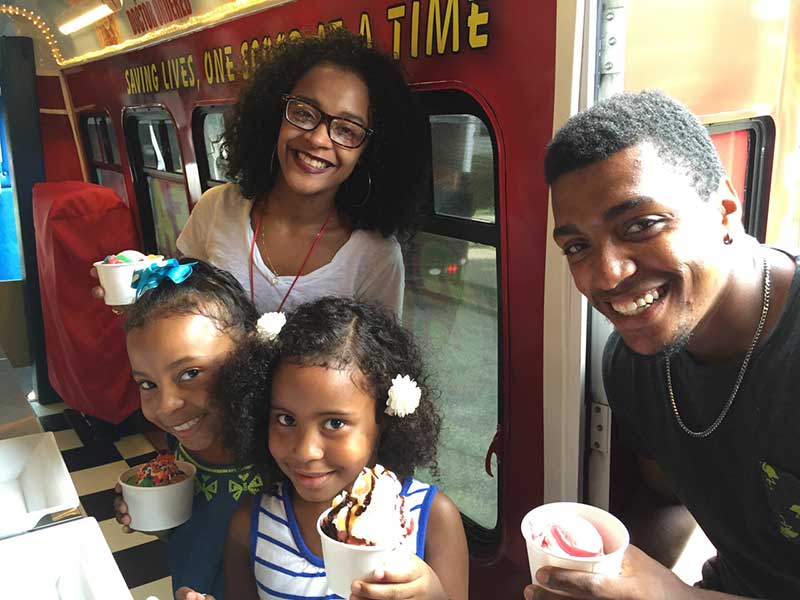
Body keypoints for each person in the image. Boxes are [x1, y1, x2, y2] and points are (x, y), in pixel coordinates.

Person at [523, 89, 800, 600]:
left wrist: (677, 598)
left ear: (723, 211)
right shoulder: (634, 364)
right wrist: (604, 578)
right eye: (578, 247)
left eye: (642, 224)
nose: (606, 276)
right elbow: (668, 498)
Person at [178, 296, 468, 600]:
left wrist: (434, 594)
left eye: (334, 424)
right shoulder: (252, 524)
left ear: (383, 419)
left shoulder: (433, 519)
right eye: (286, 419)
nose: (305, 451)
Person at [176, 28, 427, 315]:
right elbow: (176, 310)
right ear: (274, 116)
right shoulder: (216, 208)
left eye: (347, 130)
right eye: (304, 113)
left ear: (369, 152)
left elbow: (376, 359)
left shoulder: (376, 258)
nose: (318, 139)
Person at [113, 259, 264, 599]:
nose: (166, 405)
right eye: (148, 384)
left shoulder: (284, 456)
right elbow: (197, 530)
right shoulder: (179, 444)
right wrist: (155, 514)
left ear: (249, 354)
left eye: (190, 373)